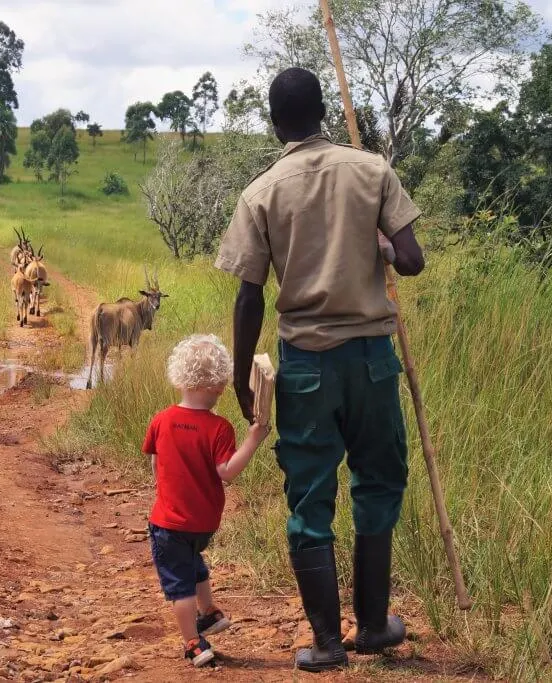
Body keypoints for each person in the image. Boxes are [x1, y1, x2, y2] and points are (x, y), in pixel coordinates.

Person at [214, 67, 426, 673]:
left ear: (276, 122)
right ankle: (375, 628)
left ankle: (329, 644)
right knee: (378, 482)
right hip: (372, 360)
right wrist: (382, 247)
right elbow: (411, 260)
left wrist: (238, 373)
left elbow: (250, 294)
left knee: (310, 495)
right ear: (325, 112)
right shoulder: (373, 170)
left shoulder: (262, 192)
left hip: (305, 363)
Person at [143, 334, 271, 667]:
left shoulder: (160, 420)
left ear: (179, 378)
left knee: (179, 585)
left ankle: (192, 643)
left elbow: (156, 464)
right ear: (219, 386)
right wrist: (253, 439)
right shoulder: (219, 428)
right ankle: (209, 613)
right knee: (194, 564)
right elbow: (226, 472)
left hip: (169, 523)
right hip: (203, 524)